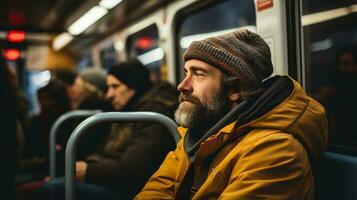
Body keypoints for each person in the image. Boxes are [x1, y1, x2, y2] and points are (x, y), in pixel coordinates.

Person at [135, 29, 328, 199]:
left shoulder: (275, 150)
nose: (182, 86)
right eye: (186, 72)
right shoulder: (196, 135)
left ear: (235, 89)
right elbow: (157, 190)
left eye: (199, 74)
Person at [35, 59, 178, 200]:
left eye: (115, 87)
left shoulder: (153, 114)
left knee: (52, 190)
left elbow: (132, 170)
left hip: (135, 189)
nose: (109, 95)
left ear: (134, 86)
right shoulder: (128, 111)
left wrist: (89, 171)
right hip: (117, 181)